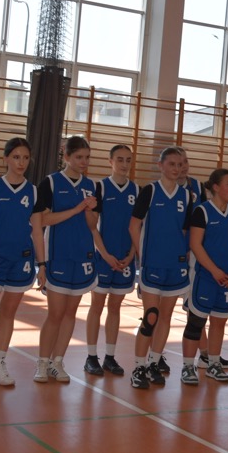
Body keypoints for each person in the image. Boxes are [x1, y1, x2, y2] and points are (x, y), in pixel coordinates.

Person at [0, 137, 43, 389]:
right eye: (16, 157)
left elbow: (37, 230)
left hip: (21, 260)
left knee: (8, 313)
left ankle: (0, 363)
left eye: (25, 158)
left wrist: (43, 264)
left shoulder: (33, 191)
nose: (21, 162)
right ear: (5, 159)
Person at [34, 135, 98, 383]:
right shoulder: (50, 183)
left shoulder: (91, 185)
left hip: (82, 254)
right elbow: (43, 220)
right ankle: (42, 362)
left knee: (71, 313)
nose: (84, 162)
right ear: (67, 156)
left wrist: (90, 210)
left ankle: (57, 362)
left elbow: (92, 224)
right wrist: (76, 209)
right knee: (55, 314)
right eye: (79, 157)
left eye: (87, 157)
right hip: (58, 254)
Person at [128, 146, 193, 389]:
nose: (176, 168)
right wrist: (142, 256)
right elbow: (133, 226)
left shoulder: (187, 196)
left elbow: (184, 231)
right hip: (152, 264)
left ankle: (154, 363)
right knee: (151, 317)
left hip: (175, 265)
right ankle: (138, 366)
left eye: (180, 164)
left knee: (166, 317)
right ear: (160, 165)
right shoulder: (150, 191)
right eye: (172, 164)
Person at [180, 169, 228, 384]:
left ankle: (214, 364)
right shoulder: (203, 211)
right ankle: (188, 366)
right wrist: (214, 270)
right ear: (216, 187)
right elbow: (195, 244)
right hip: (206, 276)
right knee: (196, 322)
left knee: (219, 322)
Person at [86, 144, 138, 377]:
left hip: (125, 259)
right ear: (110, 161)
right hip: (103, 257)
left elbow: (137, 227)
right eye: (120, 159)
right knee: (96, 306)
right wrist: (105, 255)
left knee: (115, 307)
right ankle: (91, 357)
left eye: (128, 160)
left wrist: (131, 254)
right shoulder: (101, 187)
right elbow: (92, 226)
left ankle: (109, 356)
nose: (124, 164)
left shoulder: (136, 190)